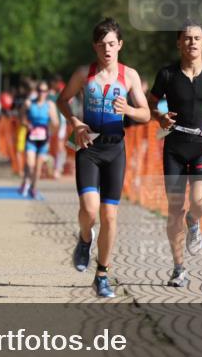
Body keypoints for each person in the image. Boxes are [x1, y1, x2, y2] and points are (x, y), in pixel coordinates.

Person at [57, 17, 150, 298]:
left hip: (114, 149)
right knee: (89, 210)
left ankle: (102, 274)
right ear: (95, 47)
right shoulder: (84, 73)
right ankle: (85, 240)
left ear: (120, 45)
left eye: (112, 44)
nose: (107, 49)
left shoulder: (129, 76)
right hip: (88, 147)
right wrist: (75, 122)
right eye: (101, 45)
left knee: (109, 215)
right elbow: (62, 100)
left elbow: (146, 114)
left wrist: (129, 110)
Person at [148, 20, 202, 288]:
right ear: (179, 43)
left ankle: (194, 221)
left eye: (197, 38)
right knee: (174, 209)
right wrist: (159, 116)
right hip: (174, 145)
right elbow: (148, 104)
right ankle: (178, 269)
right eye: (187, 38)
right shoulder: (167, 75)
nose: (192, 42)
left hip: (201, 144)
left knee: (201, 202)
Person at [20, 80, 59, 198]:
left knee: (38, 167)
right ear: (36, 91)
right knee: (30, 164)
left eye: (45, 91)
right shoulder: (28, 103)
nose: (42, 93)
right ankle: (26, 180)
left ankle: (33, 187)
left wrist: (52, 126)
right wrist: (27, 124)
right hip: (31, 138)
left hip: (43, 139)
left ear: (47, 92)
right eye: (40, 91)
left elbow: (56, 123)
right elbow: (21, 118)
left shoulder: (50, 105)